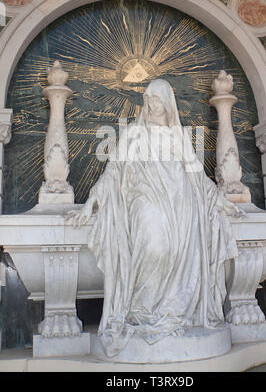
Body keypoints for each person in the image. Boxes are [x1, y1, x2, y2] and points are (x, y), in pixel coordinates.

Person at [67, 78, 244, 358]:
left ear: (167, 104)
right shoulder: (133, 134)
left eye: (156, 100)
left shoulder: (178, 135)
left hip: (180, 205)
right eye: (148, 100)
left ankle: (171, 310)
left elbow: (197, 175)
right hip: (144, 199)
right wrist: (92, 201)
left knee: (175, 252)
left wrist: (219, 200)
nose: (151, 105)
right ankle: (141, 311)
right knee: (153, 246)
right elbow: (113, 171)